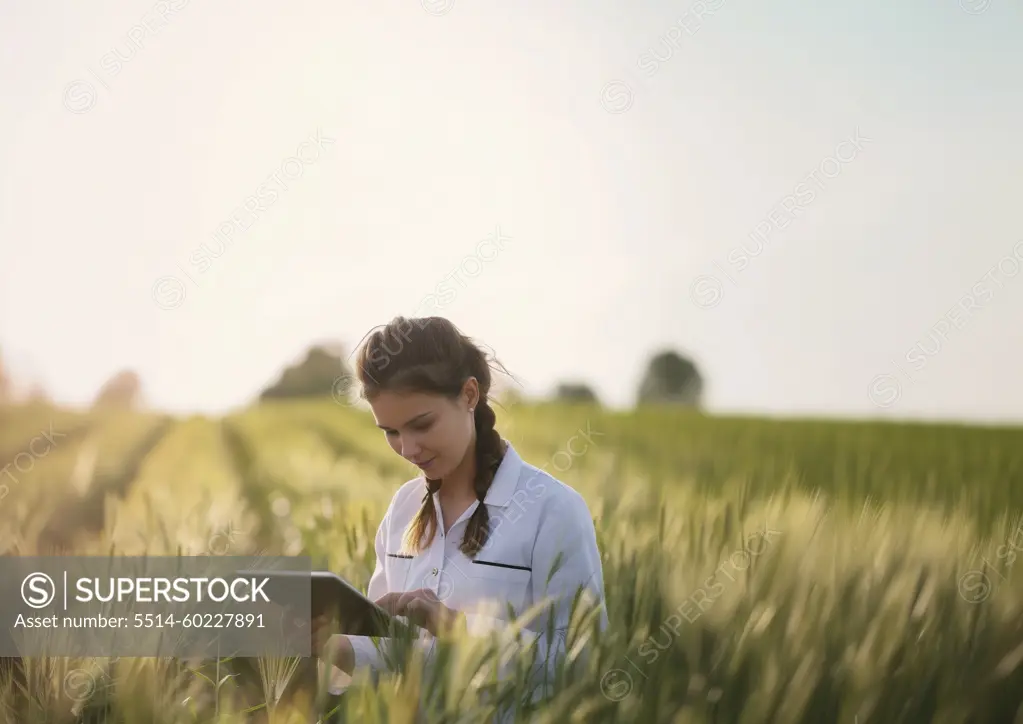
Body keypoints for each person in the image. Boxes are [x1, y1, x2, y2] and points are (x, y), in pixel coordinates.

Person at [311, 315, 607, 710]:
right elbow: (395, 653)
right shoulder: (402, 509)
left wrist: (459, 630)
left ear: (469, 395)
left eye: (421, 424)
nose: (408, 449)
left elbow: (583, 664)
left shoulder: (553, 511)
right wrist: (342, 650)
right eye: (391, 432)